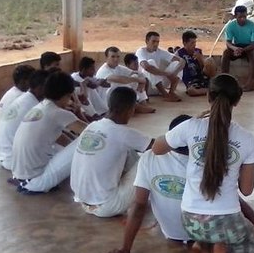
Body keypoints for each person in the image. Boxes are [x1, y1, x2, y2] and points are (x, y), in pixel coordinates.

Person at [100, 114, 254, 253]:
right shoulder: (204, 164)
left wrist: (125, 248)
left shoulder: (148, 158)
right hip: (212, 225)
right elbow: (240, 204)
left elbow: (139, 205)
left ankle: (205, 246)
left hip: (172, 234)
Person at [150, 74, 254, 253]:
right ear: (237, 100)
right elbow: (246, 190)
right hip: (226, 220)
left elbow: (157, 148)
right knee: (251, 246)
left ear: (208, 96)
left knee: (211, 227)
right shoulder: (247, 139)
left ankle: (203, 247)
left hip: (189, 221)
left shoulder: (190, 127)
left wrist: (192, 126)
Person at [70, 87, 153, 218]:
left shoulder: (92, 126)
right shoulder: (123, 133)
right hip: (108, 206)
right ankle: (153, 195)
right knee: (151, 156)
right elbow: (158, 146)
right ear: (131, 109)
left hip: (82, 201)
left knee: (129, 149)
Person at [11, 71, 88, 194]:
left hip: (21, 176)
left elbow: (59, 137)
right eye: (69, 97)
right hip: (37, 181)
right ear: (66, 95)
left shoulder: (39, 107)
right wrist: (78, 111)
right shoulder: (58, 113)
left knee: (71, 145)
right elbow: (94, 132)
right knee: (87, 140)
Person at [0, 69, 48, 170]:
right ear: (40, 88)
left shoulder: (24, 98)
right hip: (13, 159)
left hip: (3, 155)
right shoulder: (34, 106)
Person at [95, 46, 156, 114]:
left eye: (118, 57)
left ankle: (143, 104)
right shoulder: (104, 70)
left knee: (134, 77)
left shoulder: (118, 67)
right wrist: (139, 80)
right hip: (106, 100)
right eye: (113, 57)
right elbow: (120, 79)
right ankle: (136, 106)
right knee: (118, 84)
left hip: (116, 97)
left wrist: (142, 83)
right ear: (106, 58)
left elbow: (139, 74)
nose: (116, 59)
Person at [221, 5, 254, 91]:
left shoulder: (253, 26)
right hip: (237, 46)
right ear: (235, 16)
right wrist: (234, 48)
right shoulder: (230, 26)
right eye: (240, 17)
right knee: (226, 53)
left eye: (244, 16)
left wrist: (242, 50)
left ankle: (250, 83)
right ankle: (224, 81)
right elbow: (228, 42)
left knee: (252, 53)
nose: (243, 19)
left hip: (251, 47)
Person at [136, 31, 183, 102]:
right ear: (147, 41)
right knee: (150, 62)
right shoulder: (141, 51)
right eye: (153, 41)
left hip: (160, 85)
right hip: (147, 87)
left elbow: (182, 61)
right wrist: (167, 74)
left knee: (176, 63)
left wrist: (174, 73)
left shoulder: (160, 51)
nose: (156, 44)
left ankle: (171, 92)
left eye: (157, 42)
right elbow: (146, 67)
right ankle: (165, 95)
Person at [176, 30, 211, 97]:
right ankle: (210, 91)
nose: (194, 45)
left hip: (202, 77)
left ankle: (209, 88)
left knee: (210, 61)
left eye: (195, 42)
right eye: (192, 43)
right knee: (191, 91)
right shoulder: (179, 53)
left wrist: (200, 58)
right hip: (190, 80)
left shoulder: (198, 51)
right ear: (185, 43)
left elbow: (204, 68)